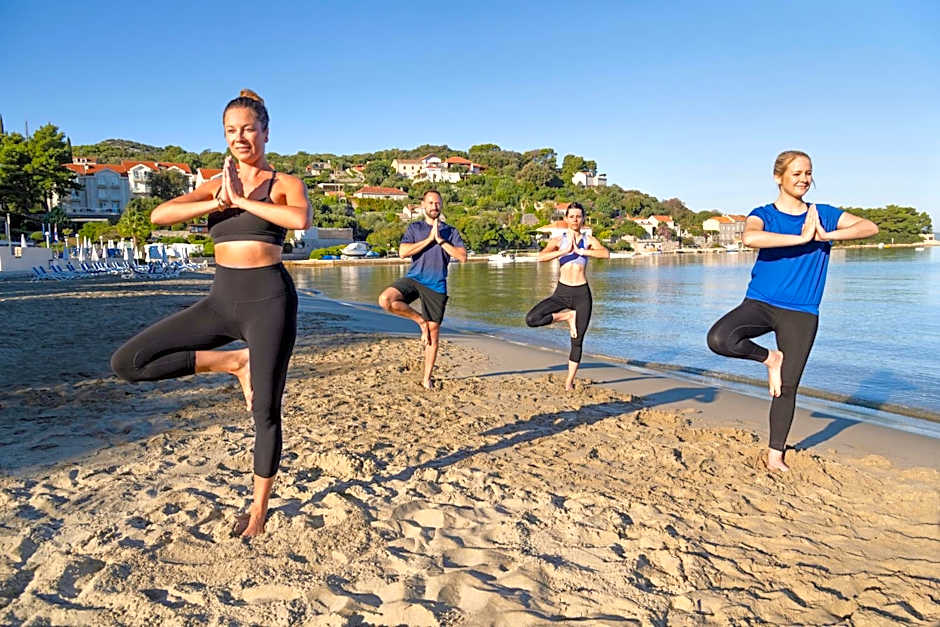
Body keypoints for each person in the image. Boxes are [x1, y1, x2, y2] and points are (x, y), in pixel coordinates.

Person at [110, 89, 312, 536]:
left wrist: (242, 202)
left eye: (248, 129)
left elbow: (299, 220)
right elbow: (160, 216)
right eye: (231, 131)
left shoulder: (283, 183)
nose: (240, 138)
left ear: (265, 131)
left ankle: (258, 512)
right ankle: (231, 362)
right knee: (129, 363)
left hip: (269, 302)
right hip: (220, 301)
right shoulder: (216, 184)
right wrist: (218, 200)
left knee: (265, 411)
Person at [706, 150, 878, 471]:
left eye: (808, 173)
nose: (803, 179)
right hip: (760, 303)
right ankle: (771, 358)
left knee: (787, 387)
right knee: (719, 339)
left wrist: (827, 235)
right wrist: (800, 238)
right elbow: (750, 237)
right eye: (796, 173)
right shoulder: (764, 214)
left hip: (801, 312)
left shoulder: (822, 214)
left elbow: (869, 227)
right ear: (778, 177)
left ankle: (775, 455)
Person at [378, 190, 467, 389]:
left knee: (434, 333)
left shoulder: (451, 232)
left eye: (438, 202)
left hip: (436, 284)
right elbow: (402, 252)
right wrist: (429, 239)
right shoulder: (415, 228)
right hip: (414, 278)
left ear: (441, 205)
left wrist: (441, 240)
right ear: (423, 206)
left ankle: (426, 378)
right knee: (386, 299)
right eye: (430, 202)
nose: (434, 206)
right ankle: (420, 321)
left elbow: (462, 257)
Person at [525, 203, 609, 390]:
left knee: (577, 340)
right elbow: (540, 257)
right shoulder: (558, 239)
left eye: (579, 216)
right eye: (572, 216)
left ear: (583, 219)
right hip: (562, 293)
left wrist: (581, 251)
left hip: (582, 294)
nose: (575, 220)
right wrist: (564, 251)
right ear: (566, 219)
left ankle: (569, 381)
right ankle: (566, 316)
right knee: (531, 319)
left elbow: (605, 253)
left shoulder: (588, 239)